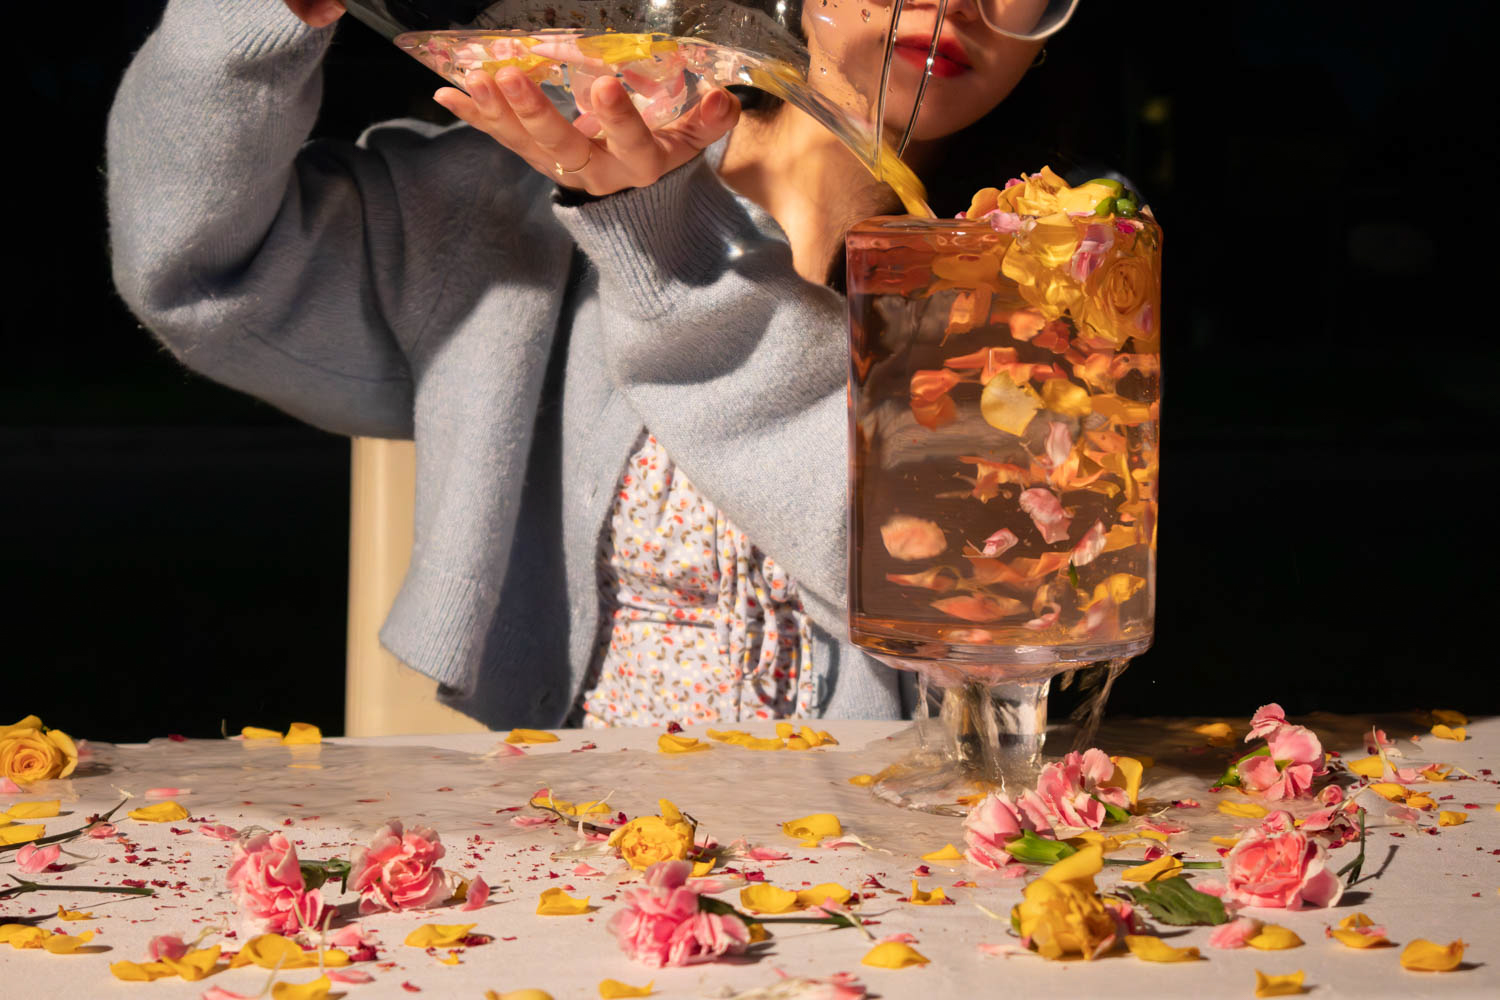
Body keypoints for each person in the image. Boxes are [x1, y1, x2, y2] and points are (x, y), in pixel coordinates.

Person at [107, 0, 1056, 729]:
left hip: (886, 880)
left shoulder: (1055, 276)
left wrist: (665, 243)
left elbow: (978, 603)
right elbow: (201, 274)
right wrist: (248, 25)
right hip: (575, 859)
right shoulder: (530, 194)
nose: (955, 4)